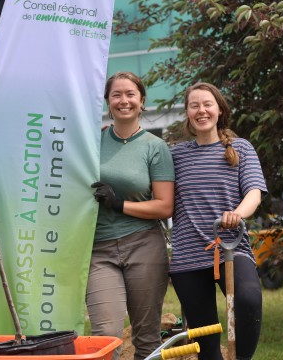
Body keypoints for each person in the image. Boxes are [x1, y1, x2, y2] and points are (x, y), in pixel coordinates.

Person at [169, 82, 266, 360]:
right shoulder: (176, 156)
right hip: (188, 256)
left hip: (231, 250)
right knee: (206, 341)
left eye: (207, 104)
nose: (201, 111)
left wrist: (237, 213)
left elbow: (254, 193)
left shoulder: (241, 148)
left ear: (219, 110)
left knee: (248, 300)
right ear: (187, 113)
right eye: (194, 105)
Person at [89, 71, 175, 360]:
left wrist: (119, 204)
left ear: (141, 101)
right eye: (116, 95)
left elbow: (164, 206)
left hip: (144, 246)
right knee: (104, 338)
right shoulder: (92, 142)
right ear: (107, 101)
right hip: (98, 250)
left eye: (130, 94)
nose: (123, 101)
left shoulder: (155, 147)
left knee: (147, 337)